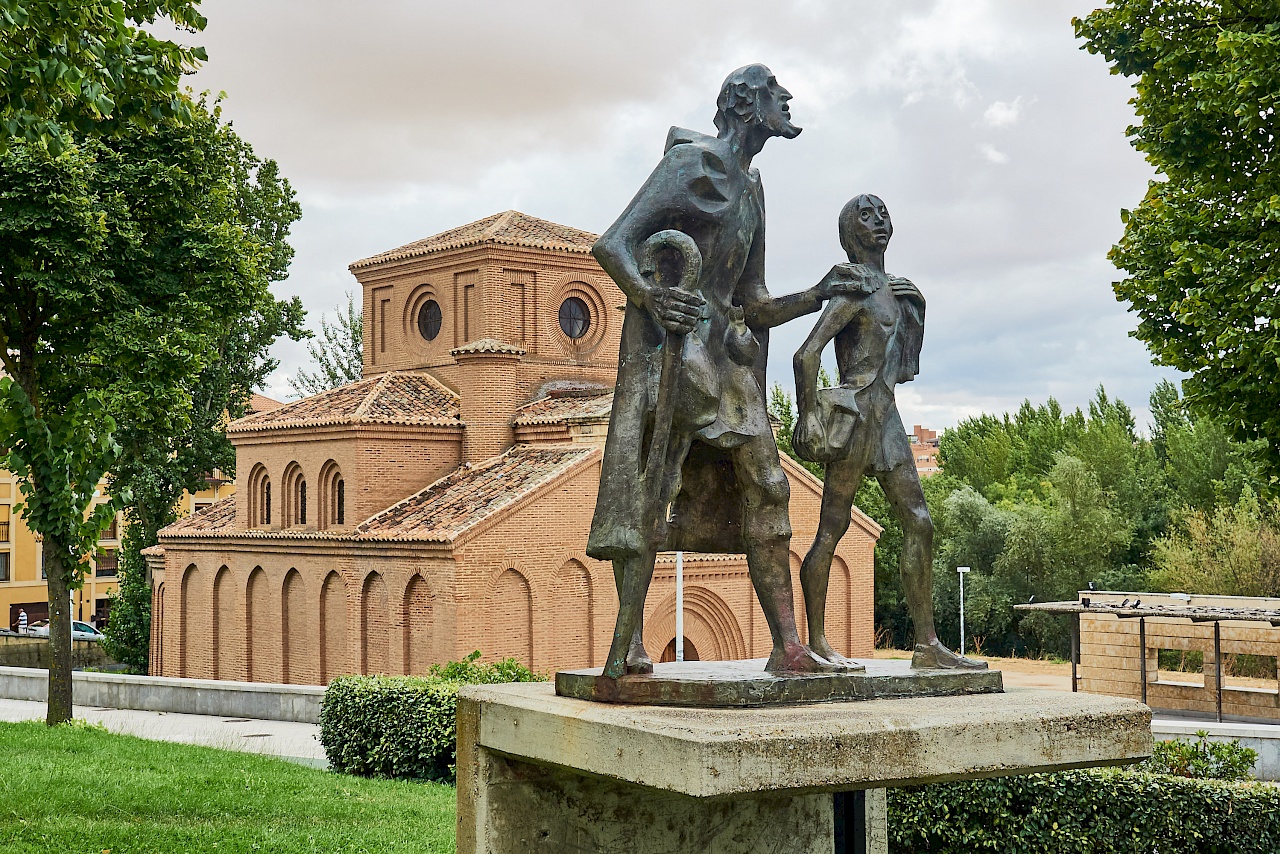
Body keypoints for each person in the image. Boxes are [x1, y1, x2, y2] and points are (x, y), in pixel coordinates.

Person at [589, 64, 864, 679]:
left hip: (731, 362)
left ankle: (787, 647)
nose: (788, 98)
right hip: (678, 353)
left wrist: (818, 292)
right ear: (746, 105)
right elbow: (614, 244)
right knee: (653, 494)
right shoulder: (693, 166)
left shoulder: (753, 185)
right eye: (775, 91)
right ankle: (631, 642)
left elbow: (756, 299)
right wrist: (650, 296)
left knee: (769, 488)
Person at [793, 194, 986, 670]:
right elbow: (806, 355)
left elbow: (903, 361)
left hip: (889, 419)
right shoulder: (854, 287)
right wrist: (809, 415)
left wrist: (917, 303)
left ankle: (926, 646)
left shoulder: (895, 288)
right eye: (865, 215)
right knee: (831, 531)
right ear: (849, 232)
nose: (878, 220)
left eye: (882, 213)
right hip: (856, 416)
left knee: (920, 521)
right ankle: (816, 641)